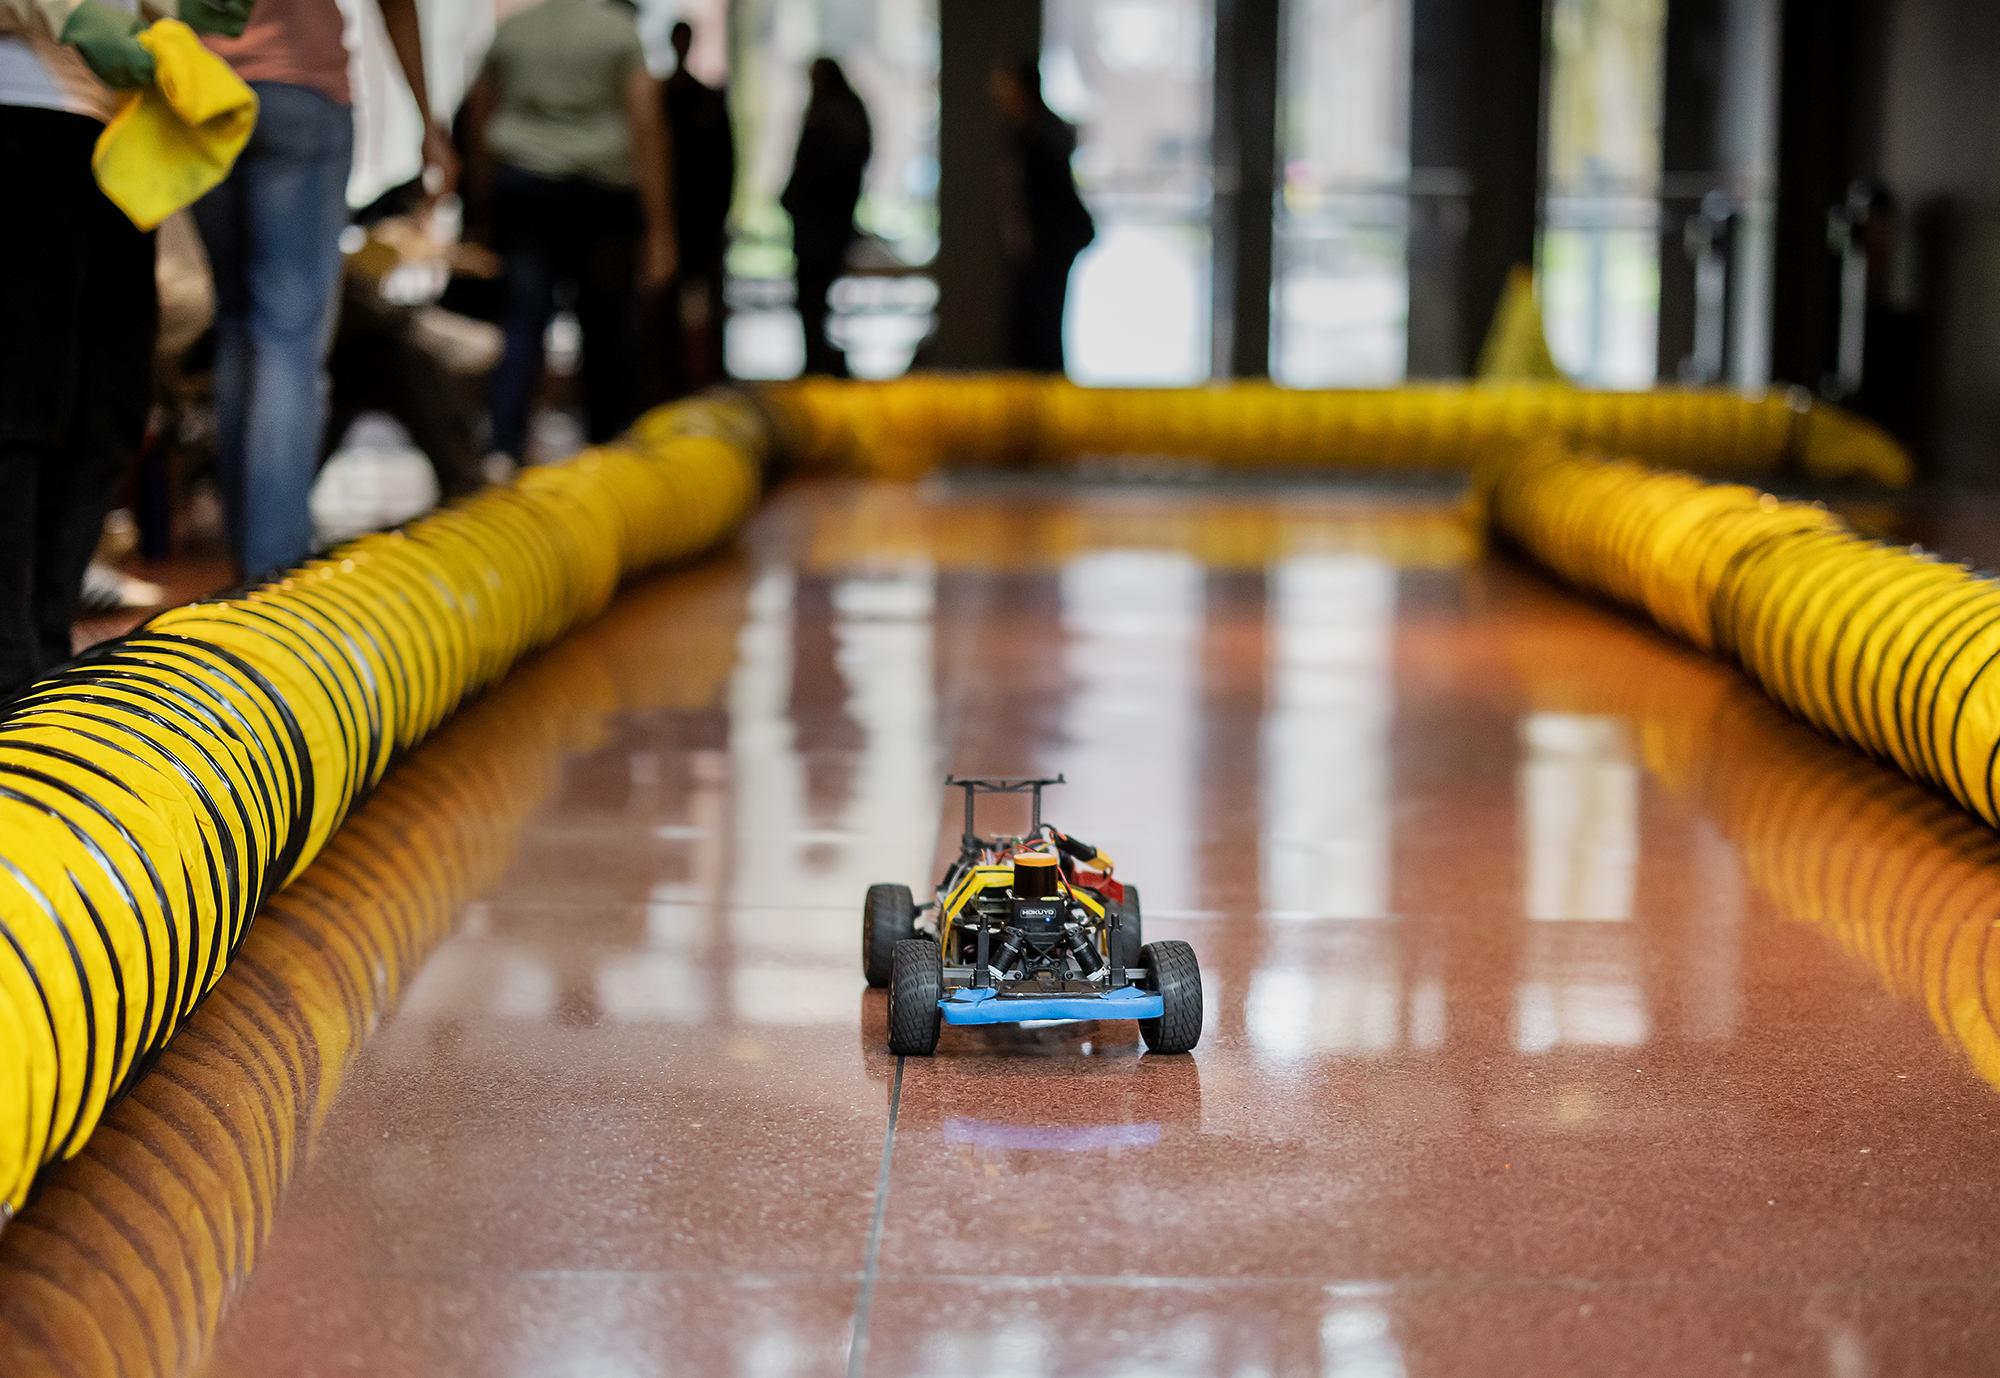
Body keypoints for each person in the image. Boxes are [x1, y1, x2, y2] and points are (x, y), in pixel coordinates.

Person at [0, 0, 251, 702]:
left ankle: (49, 641)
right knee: (23, 401)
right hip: (21, 103)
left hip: (120, 132)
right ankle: (11, 660)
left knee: (109, 403)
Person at [195, 0, 458, 579]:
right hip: (300, 89)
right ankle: (273, 569)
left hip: (201, 93)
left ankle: (245, 552)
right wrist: (427, 120)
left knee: (237, 329)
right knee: (287, 340)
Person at [470, 0, 675, 466]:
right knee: (606, 329)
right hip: (602, 194)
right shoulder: (619, 32)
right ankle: (607, 450)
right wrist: (660, 227)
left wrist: (482, 204)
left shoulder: (513, 32)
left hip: (523, 188)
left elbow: (480, 114)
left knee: (522, 324)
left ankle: (501, 449)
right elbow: (646, 121)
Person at [989, 57, 1094, 374]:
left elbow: (1052, 198)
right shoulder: (1020, 134)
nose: (996, 93)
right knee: (1028, 334)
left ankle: (1042, 412)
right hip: (1034, 249)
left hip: (1048, 249)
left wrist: (1040, 245)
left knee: (1041, 333)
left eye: (1005, 86)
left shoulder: (1043, 135)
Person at [655, 18, 734, 398]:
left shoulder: (707, 100)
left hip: (702, 224)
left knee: (707, 311)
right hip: (671, 223)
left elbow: (727, 166)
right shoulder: (659, 98)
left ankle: (707, 382)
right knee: (664, 313)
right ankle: (667, 384)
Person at [781, 57, 869, 378]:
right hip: (819, 231)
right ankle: (818, 367)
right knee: (812, 305)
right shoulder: (841, 116)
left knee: (816, 304)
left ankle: (822, 368)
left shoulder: (832, 119)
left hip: (822, 232)